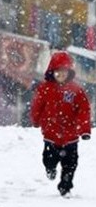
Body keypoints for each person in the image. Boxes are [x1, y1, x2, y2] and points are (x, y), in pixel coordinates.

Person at [30, 50, 91, 197]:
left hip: (71, 135)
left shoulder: (76, 91)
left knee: (70, 164)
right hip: (51, 134)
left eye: (63, 72)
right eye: (57, 72)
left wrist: (84, 130)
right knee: (49, 159)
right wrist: (36, 120)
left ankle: (65, 186)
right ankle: (50, 169)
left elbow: (83, 110)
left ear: (69, 73)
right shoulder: (45, 89)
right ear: (52, 72)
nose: (60, 75)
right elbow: (37, 106)